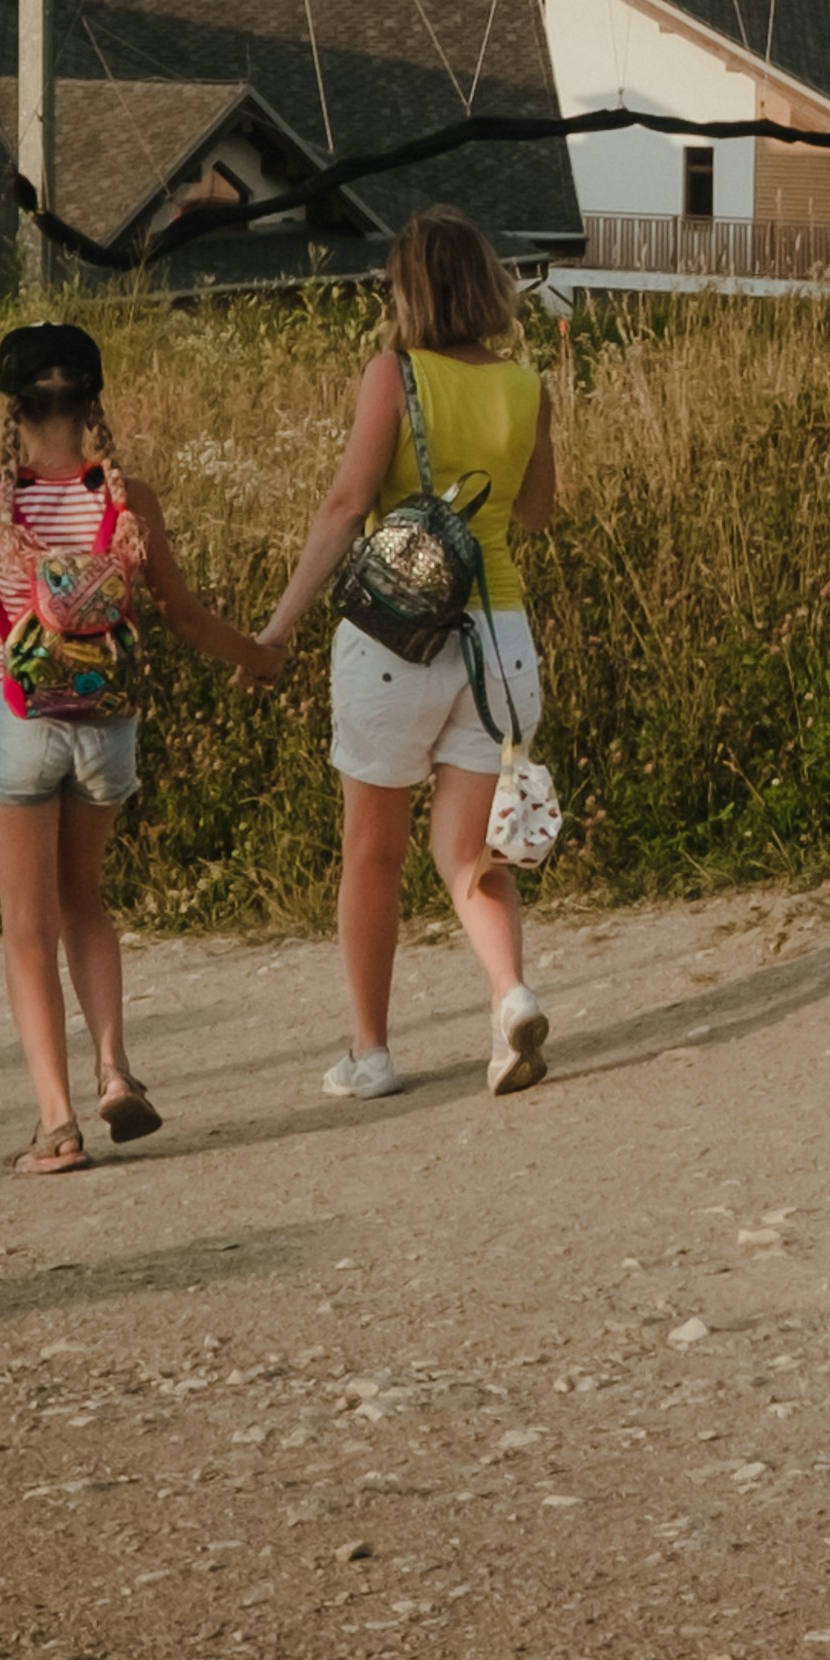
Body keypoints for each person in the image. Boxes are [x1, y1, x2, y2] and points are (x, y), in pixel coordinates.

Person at [247, 206, 562, 1103]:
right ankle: (511, 999)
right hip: (500, 637)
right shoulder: (527, 384)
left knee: (371, 851)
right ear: (490, 286)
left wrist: (277, 627)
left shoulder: (392, 375)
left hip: (398, 636)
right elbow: (536, 512)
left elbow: (347, 505)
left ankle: (372, 1053)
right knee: (470, 852)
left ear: (408, 289)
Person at [0, 317, 176, 1173]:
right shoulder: (128, 501)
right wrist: (260, 654)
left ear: (10, 408)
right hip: (107, 730)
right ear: (93, 404)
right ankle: (115, 1069)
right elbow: (181, 611)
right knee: (84, 902)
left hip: (19, 723)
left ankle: (56, 1123)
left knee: (27, 924)